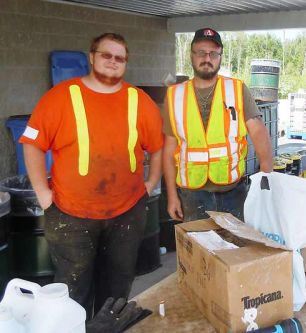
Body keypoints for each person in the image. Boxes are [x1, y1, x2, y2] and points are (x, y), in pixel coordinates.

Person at [20, 33, 164, 317]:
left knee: (117, 286)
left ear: (126, 63)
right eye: (106, 55)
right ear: (92, 57)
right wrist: (43, 194)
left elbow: (157, 148)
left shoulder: (139, 101)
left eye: (119, 57)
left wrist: (150, 183)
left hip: (127, 213)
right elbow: (33, 145)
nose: (113, 62)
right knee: (74, 290)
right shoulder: (61, 97)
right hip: (71, 216)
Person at [162, 27, 273, 222]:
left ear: (220, 56)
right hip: (192, 195)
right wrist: (172, 196)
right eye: (201, 52)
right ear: (191, 55)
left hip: (233, 192)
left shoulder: (237, 89)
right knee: (200, 251)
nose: (207, 58)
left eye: (213, 53)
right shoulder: (174, 96)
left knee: (234, 250)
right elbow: (169, 149)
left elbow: (259, 132)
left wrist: (267, 179)